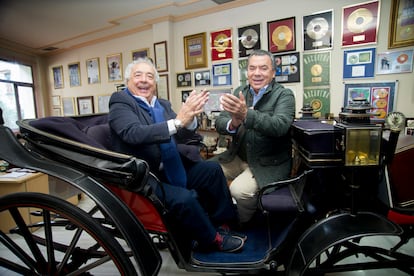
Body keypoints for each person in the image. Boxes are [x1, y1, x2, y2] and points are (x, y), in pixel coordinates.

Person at [108, 57, 245, 253]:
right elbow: (133, 133)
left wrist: (189, 118)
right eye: (138, 75)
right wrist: (179, 121)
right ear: (128, 81)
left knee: (212, 170)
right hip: (145, 175)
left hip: (171, 167)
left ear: (155, 83)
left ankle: (222, 223)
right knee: (184, 198)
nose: (144, 80)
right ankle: (212, 239)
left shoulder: (161, 104)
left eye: (150, 76)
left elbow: (180, 131)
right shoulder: (121, 101)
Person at [213, 49, 296, 224]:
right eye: (252, 68)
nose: (257, 73)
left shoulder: (284, 95)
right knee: (204, 172)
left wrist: (245, 115)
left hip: (268, 163)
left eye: (263, 68)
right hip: (237, 157)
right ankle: (222, 215)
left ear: (273, 73)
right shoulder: (239, 91)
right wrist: (234, 122)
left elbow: (280, 126)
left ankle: (244, 223)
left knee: (239, 191)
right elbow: (220, 123)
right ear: (247, 72)